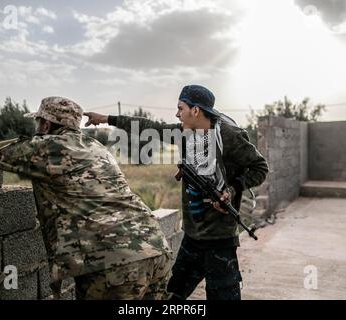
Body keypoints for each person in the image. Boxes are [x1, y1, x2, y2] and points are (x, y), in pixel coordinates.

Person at [0, 96, 172, 300]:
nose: (36, 127)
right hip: (156, 248)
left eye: (38, 121)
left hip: (114, 262)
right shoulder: (97, 147)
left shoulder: (48, 146)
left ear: (46, 125)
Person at [85, 85, 268, 300]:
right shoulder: (184, 133)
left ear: (196, 111)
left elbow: (260, 168)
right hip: (192, 236)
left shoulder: (229, 136)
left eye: (180, 108)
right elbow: (147, 126)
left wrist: (232, 188)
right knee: (172, 296)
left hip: (220, 239)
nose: (177, 113)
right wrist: (106, 118)